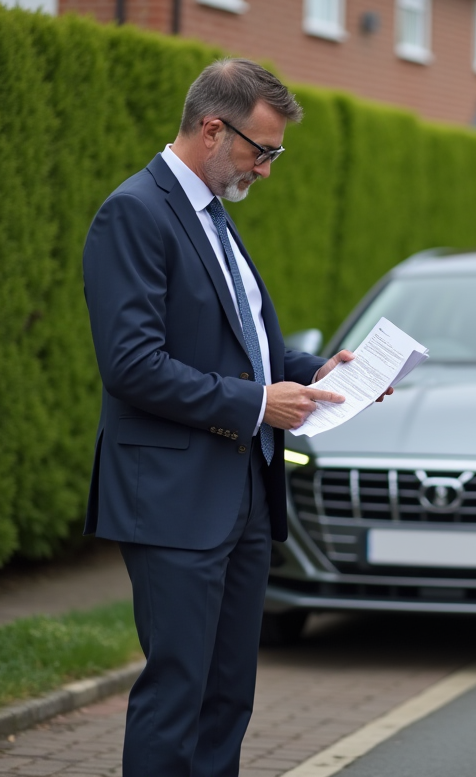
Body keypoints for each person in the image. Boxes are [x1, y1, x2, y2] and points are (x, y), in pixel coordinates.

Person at [82, 58, 385, 777]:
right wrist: (256, 404)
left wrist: (315, 371)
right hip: (173, 501)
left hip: (245, 496)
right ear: (213, 129)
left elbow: (250, 345)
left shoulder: (213, 213)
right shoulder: (134, 212)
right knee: (177, 692)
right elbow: (132, 365)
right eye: (264, 151)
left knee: (228, 697)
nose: (269, 170)